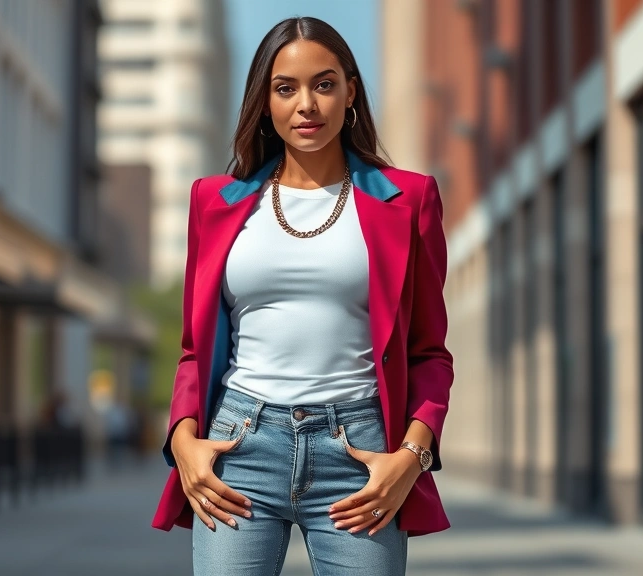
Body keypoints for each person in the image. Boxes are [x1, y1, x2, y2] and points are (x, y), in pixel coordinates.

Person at [152, 16, 453, 575]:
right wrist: (184, 440)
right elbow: (195, 349)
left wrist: (411, 458)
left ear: (350, 92)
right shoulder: (213, 201)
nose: (306, 105)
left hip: (360, 454)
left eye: (324, 84)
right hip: (238, 447)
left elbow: (429, 352)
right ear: (264, 101)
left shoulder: (409, 200)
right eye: (285, 88)